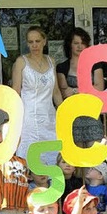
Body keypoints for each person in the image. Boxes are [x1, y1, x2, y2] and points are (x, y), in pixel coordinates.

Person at [12, 26, 64, 165]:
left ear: (44, 41)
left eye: (37, 41)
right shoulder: (21, 62)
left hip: (49, 117)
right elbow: (15, 92)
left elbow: (56, 91)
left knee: (53, 155)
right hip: (28, 118)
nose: (34, 45)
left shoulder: (51, 61)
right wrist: (12, 119)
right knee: (30, 157)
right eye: (30, 42)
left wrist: (65, 113)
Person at [56, 27, 105, 147]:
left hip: (92, 115)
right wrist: (89, 89)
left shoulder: (95, 65)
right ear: (70, 45)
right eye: (76, 43)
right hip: (73, 118)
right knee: (75, 160)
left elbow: (99, 89)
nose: (80, 46)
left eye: (83, 43)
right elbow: (64, 93)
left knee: (94, 158)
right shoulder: (62, 67)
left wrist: (74, 90)